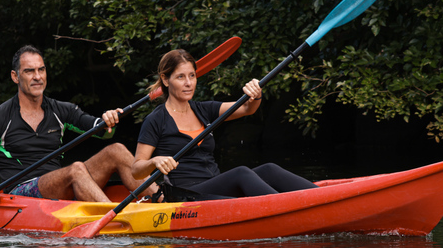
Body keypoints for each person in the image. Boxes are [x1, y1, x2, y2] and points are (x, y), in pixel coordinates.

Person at [0, 45, 156, 203]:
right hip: (22, 193)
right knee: (76, 169)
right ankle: (118, 218)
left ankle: (168, 203)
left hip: (59, 187)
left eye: (41, 70)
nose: (37, 76)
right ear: (15, 76)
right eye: (29, 71)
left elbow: (102, 131)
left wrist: (108, 121)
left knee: (116, 150)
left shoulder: (62, 110)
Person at [132, 49, 317, 200]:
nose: (189, 83)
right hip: (185, 196)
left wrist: (256, 93)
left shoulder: (204, 110)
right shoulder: (155, 120)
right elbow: (136, 170)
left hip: (214, 186)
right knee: (241, 173)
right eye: (181, 77)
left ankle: (320, 198)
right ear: (165, 79)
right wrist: (154, 161)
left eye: (192, 76)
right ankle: (286, 209)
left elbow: (247, 108)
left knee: (269, 169)